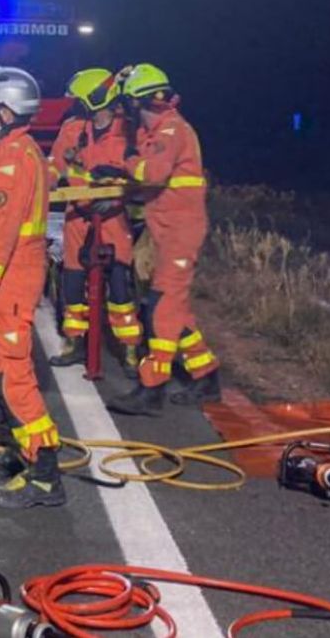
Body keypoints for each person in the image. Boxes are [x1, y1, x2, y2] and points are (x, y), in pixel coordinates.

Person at [0, 67, 65, 510]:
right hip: (9, 284)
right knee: (0, 367)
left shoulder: (12, 160)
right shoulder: (13, 150)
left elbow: (0, 234)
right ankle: (22, 453)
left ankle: (44, 475)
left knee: (14, 376)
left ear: (4, 110)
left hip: (8, 283)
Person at [107, 63, 219, 415]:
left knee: (160, 308)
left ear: (135, 101)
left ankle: (151, 387)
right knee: (176, 307)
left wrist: (126, 160)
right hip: (169, 228)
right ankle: (206, 374)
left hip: (179, 233)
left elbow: (152, 172)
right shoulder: (158, 130)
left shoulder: (170, 129)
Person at [47, 69, 142, 370]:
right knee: (72, 281)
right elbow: (56, 167)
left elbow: (139, 176)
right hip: (77, 214)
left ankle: (128, 349)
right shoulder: (73, 130)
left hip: (113, 216)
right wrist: (43, 185)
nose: (75, 106)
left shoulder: (129, 132)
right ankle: (74, 342)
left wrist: (116, 197)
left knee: (120, 287)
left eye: (79, 100)